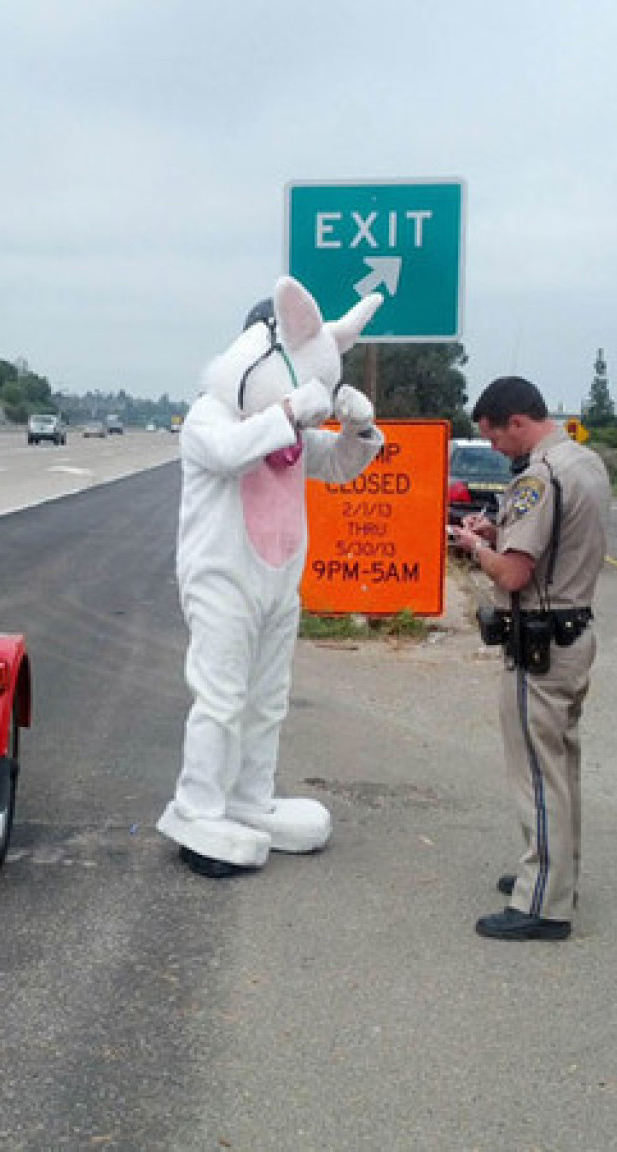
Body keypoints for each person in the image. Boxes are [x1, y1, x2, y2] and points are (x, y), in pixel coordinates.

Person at [156, 276, 383, 878]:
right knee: (222, 696)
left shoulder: (288, 429)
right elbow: (231, 453)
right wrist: (287, 410)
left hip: (279, 579)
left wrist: (360, 431)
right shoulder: (211, 414)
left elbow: (335, 465)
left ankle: (250, 800)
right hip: (222, 577)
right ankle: (198, 808)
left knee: (267, 700)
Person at [451, 377, 610, 941]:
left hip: (540, 642)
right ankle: (556, 876)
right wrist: (500, 529)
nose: (496, 449)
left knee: (538, 775)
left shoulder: (539, 475)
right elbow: (555, 540)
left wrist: (477, 548)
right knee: (561, 767)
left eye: (495, 438)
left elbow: (515, 573)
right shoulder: (584, 462)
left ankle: (542, 903)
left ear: (516, 422)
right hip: (574, 632)